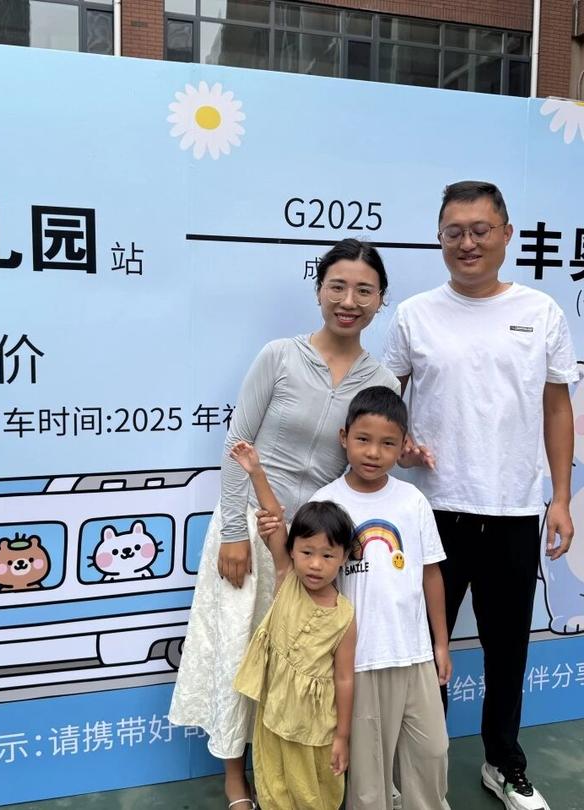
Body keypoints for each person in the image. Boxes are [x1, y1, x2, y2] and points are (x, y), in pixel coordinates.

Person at [169, 238, 399, 809]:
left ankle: (295, 773)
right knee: (241, 653)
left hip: (315, 547)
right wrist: (233, 531)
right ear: (319, 290)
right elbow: (238, 442)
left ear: (381, 299)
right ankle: (235, 778)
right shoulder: (279, 356)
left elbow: (368, 462)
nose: (349, 301)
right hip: (251, 531)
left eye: (364, 290)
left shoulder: (382, 381)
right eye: (337, 286)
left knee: (301, 665)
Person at [383, 181, 578, 810]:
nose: (467, 243)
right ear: (440, 239)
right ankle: (417, 771)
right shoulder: (415, 315)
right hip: (431, 513)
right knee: (422, 651)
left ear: (506, 234)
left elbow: (557, 407)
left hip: (515, 511)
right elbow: (384, 402)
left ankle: (503, 762)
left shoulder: (541, 312)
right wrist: (399, 443)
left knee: (507, 650)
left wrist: (561, 498)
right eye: (454, 232)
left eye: (480, 230)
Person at [305, 385, 452, 810]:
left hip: (414, 655)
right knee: (369, 776)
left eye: (388, 443)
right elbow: (312, 584)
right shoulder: (326, 503)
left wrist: (441, 644)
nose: (373, 452)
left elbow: (430, 574)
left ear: (404, 446)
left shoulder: (412, 501)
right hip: (360, 662)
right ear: (344, 437)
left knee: (432, 752)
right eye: (363, 439)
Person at [230, 441, 356, 810]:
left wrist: (342, 736)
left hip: (316, 729)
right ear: (293, 550)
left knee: (315, 792)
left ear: (343, 558)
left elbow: (344, 678)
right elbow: (274, 518)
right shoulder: (287, 578)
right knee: (273, 788)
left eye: (328, 555)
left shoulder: (344, 616)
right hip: (273, 717)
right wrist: (256, 471)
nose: (315, 564)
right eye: (307, 552)